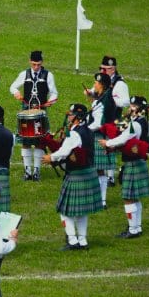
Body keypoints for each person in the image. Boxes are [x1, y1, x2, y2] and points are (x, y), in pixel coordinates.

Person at [43, 104, 103, 250]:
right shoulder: (88, 131)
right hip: (89, 173)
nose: (69, 116)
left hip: (76, 174)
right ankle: (82, 241)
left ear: (77, 117)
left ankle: (72, 240)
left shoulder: (75, 134)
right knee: (82, 212)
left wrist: (51, 157)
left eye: (71, 114)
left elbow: (64, 151)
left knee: (64, 211)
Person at [99, 96, 149, 238]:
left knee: (128, 198)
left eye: (134, 106)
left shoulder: (137, 124)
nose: (130, 108)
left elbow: (124, 138)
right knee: (135, 198)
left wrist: (108, 143)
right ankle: (136, 227)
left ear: (139, 108)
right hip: (137, 162)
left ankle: (133, 230)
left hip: (133, 163)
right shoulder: (138, 121)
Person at [9, 50, 58, 181]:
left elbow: (54, 93)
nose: (36, 67)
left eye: (38, 64)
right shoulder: (24, 74)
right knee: (25, 141)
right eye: (34, 64)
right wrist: (16, 93)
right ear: (30, 61)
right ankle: (27, 171)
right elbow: (12, 87)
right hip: (26, 111)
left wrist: (50, 102)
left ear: (42, 62)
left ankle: (36, 171)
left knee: (39, 141)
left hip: (41, 112)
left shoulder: (48, 75)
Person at [85, 56, 130, 187]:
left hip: (115, 118)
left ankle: (110, 176)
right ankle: (108, 176)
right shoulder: (102, 80)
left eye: (106, 69)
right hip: (104, 116)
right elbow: (95, 92)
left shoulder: (120, 83)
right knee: (106, 146)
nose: (103, 71)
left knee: (111, 145)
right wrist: (90, 93)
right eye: (101, 68)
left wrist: (112, 100)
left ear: (113, 69)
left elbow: (126, 101)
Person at [86, 72, 116, 209]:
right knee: (99, 170)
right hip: (103, 136)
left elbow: (99, 122)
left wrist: (85, 130)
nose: (94, 85)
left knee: (99, 170)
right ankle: (100, 199)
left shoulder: (104, 100)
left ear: (102, 85)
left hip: (100, 137)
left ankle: (101, 200)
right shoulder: (106, 96)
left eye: (96, 83)